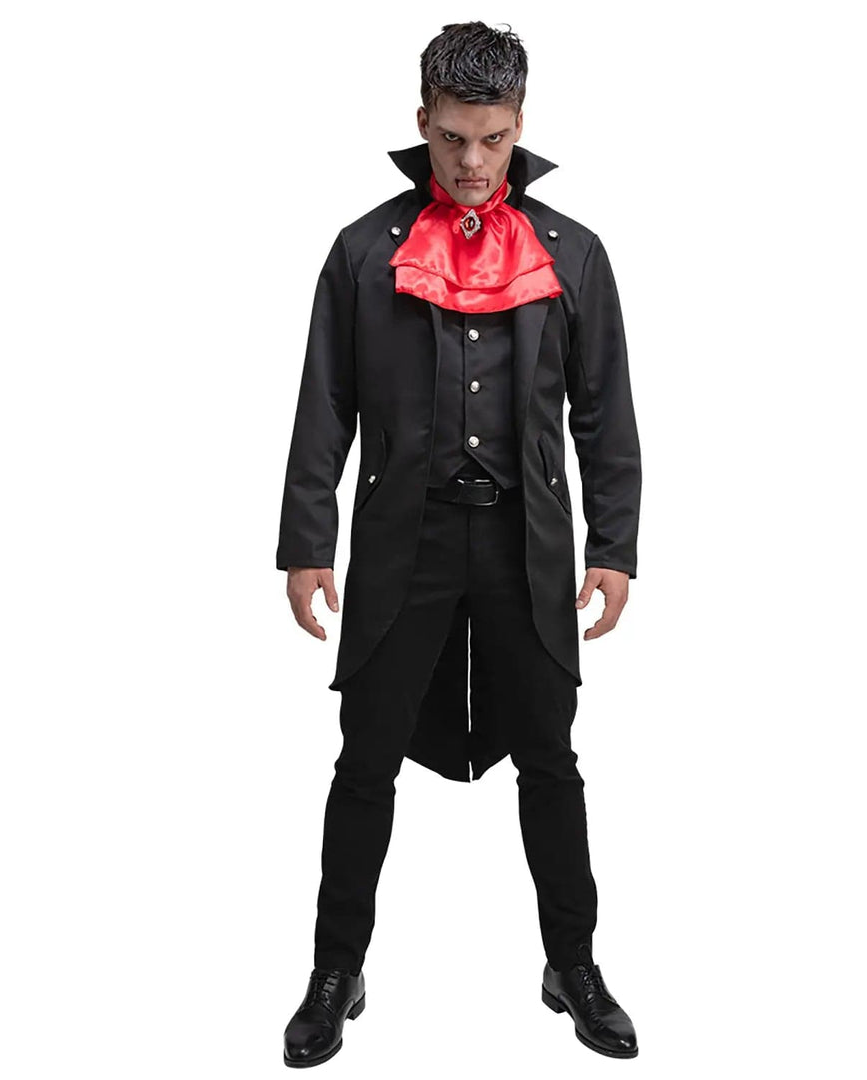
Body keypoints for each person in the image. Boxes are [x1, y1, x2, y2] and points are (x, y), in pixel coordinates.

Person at [275, 21, 642, 1067]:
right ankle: (335, 972)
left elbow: (604, 414)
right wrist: (308, 542)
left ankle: (573, 965)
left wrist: (613, 547)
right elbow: (324, 405)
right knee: (364, 762)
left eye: (492, 139)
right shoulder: (363, 251)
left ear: (519, 124)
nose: (473, 163)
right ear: (421, 121)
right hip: (407, 540)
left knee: (552, 764)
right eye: (451, 139)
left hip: (528, 544)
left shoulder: (572, 253)